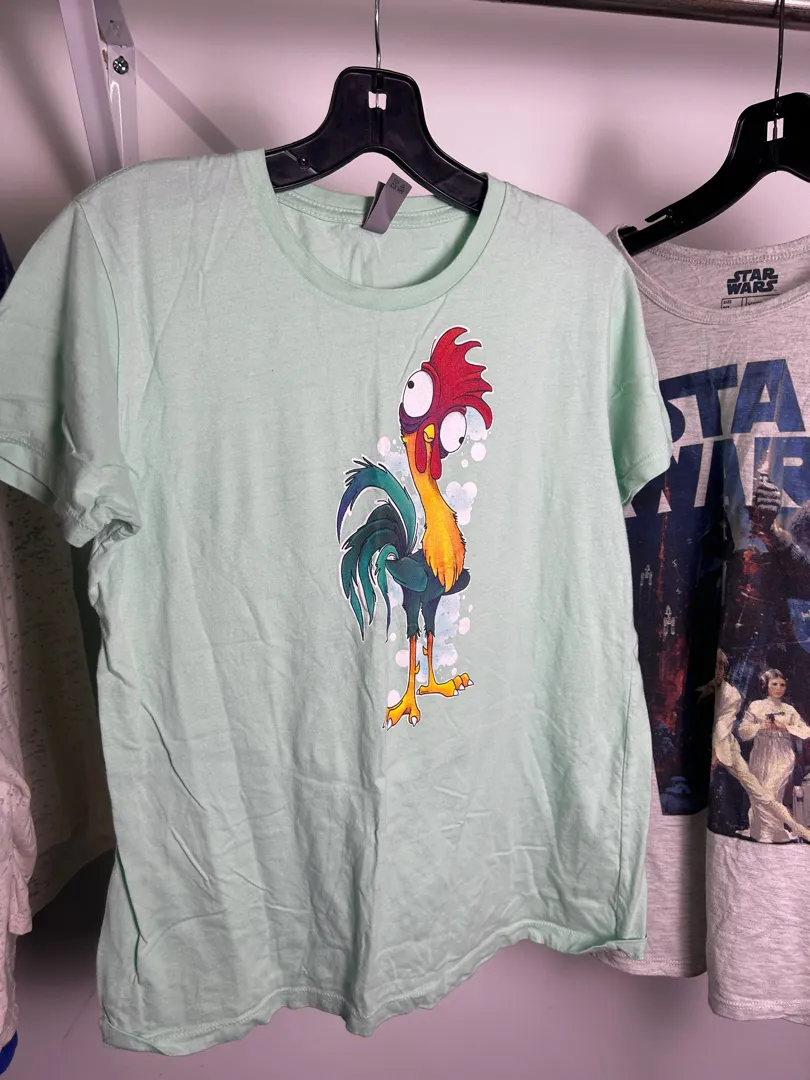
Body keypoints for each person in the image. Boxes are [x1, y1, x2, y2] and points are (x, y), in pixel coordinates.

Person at [738, 669, 810, 843]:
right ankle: (766, 831)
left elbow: (806, 731)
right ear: (766, 685)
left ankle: (773, 832)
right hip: (761, 754)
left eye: (782, 685)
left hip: (782, 754)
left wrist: (785, 727)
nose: (779, 688)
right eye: (774, 684)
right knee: (760, 793)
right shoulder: (756, 706)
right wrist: (761, 726)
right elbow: (743, 732)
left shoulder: (789, 710)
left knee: (770, 791)